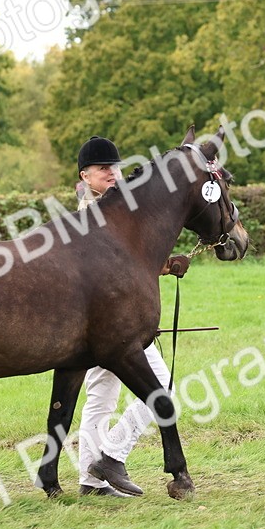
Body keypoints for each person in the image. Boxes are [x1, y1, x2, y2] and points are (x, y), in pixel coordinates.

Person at [74, 136, 189, 498]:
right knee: (161, 389)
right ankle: (111, 456)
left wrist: (166, 266)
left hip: (105, 323)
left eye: (115, 167)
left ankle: (91, 481)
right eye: (104, 169)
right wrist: (165, 267)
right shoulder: (91, 216)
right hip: (112, 325)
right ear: (85, 177)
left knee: (101, 399)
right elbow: (115, 271)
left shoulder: (117, 211)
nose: (113, 174)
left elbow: (130, 266)